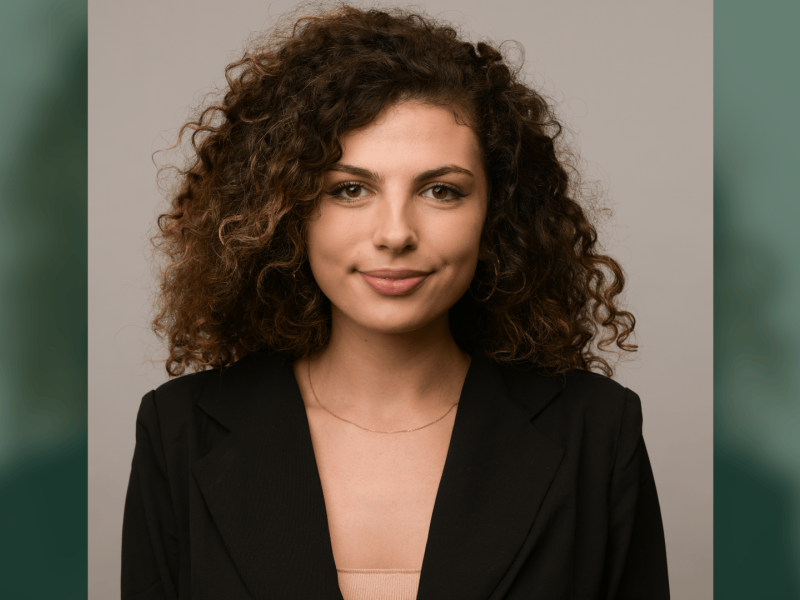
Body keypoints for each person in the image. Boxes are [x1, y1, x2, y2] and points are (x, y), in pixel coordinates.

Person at [121, 3, 669, 599]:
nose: (395, 232)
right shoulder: (180, 431)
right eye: (350, 189)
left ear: (498, 214)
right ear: (284, 211)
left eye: (441, 191)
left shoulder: (597, 431)